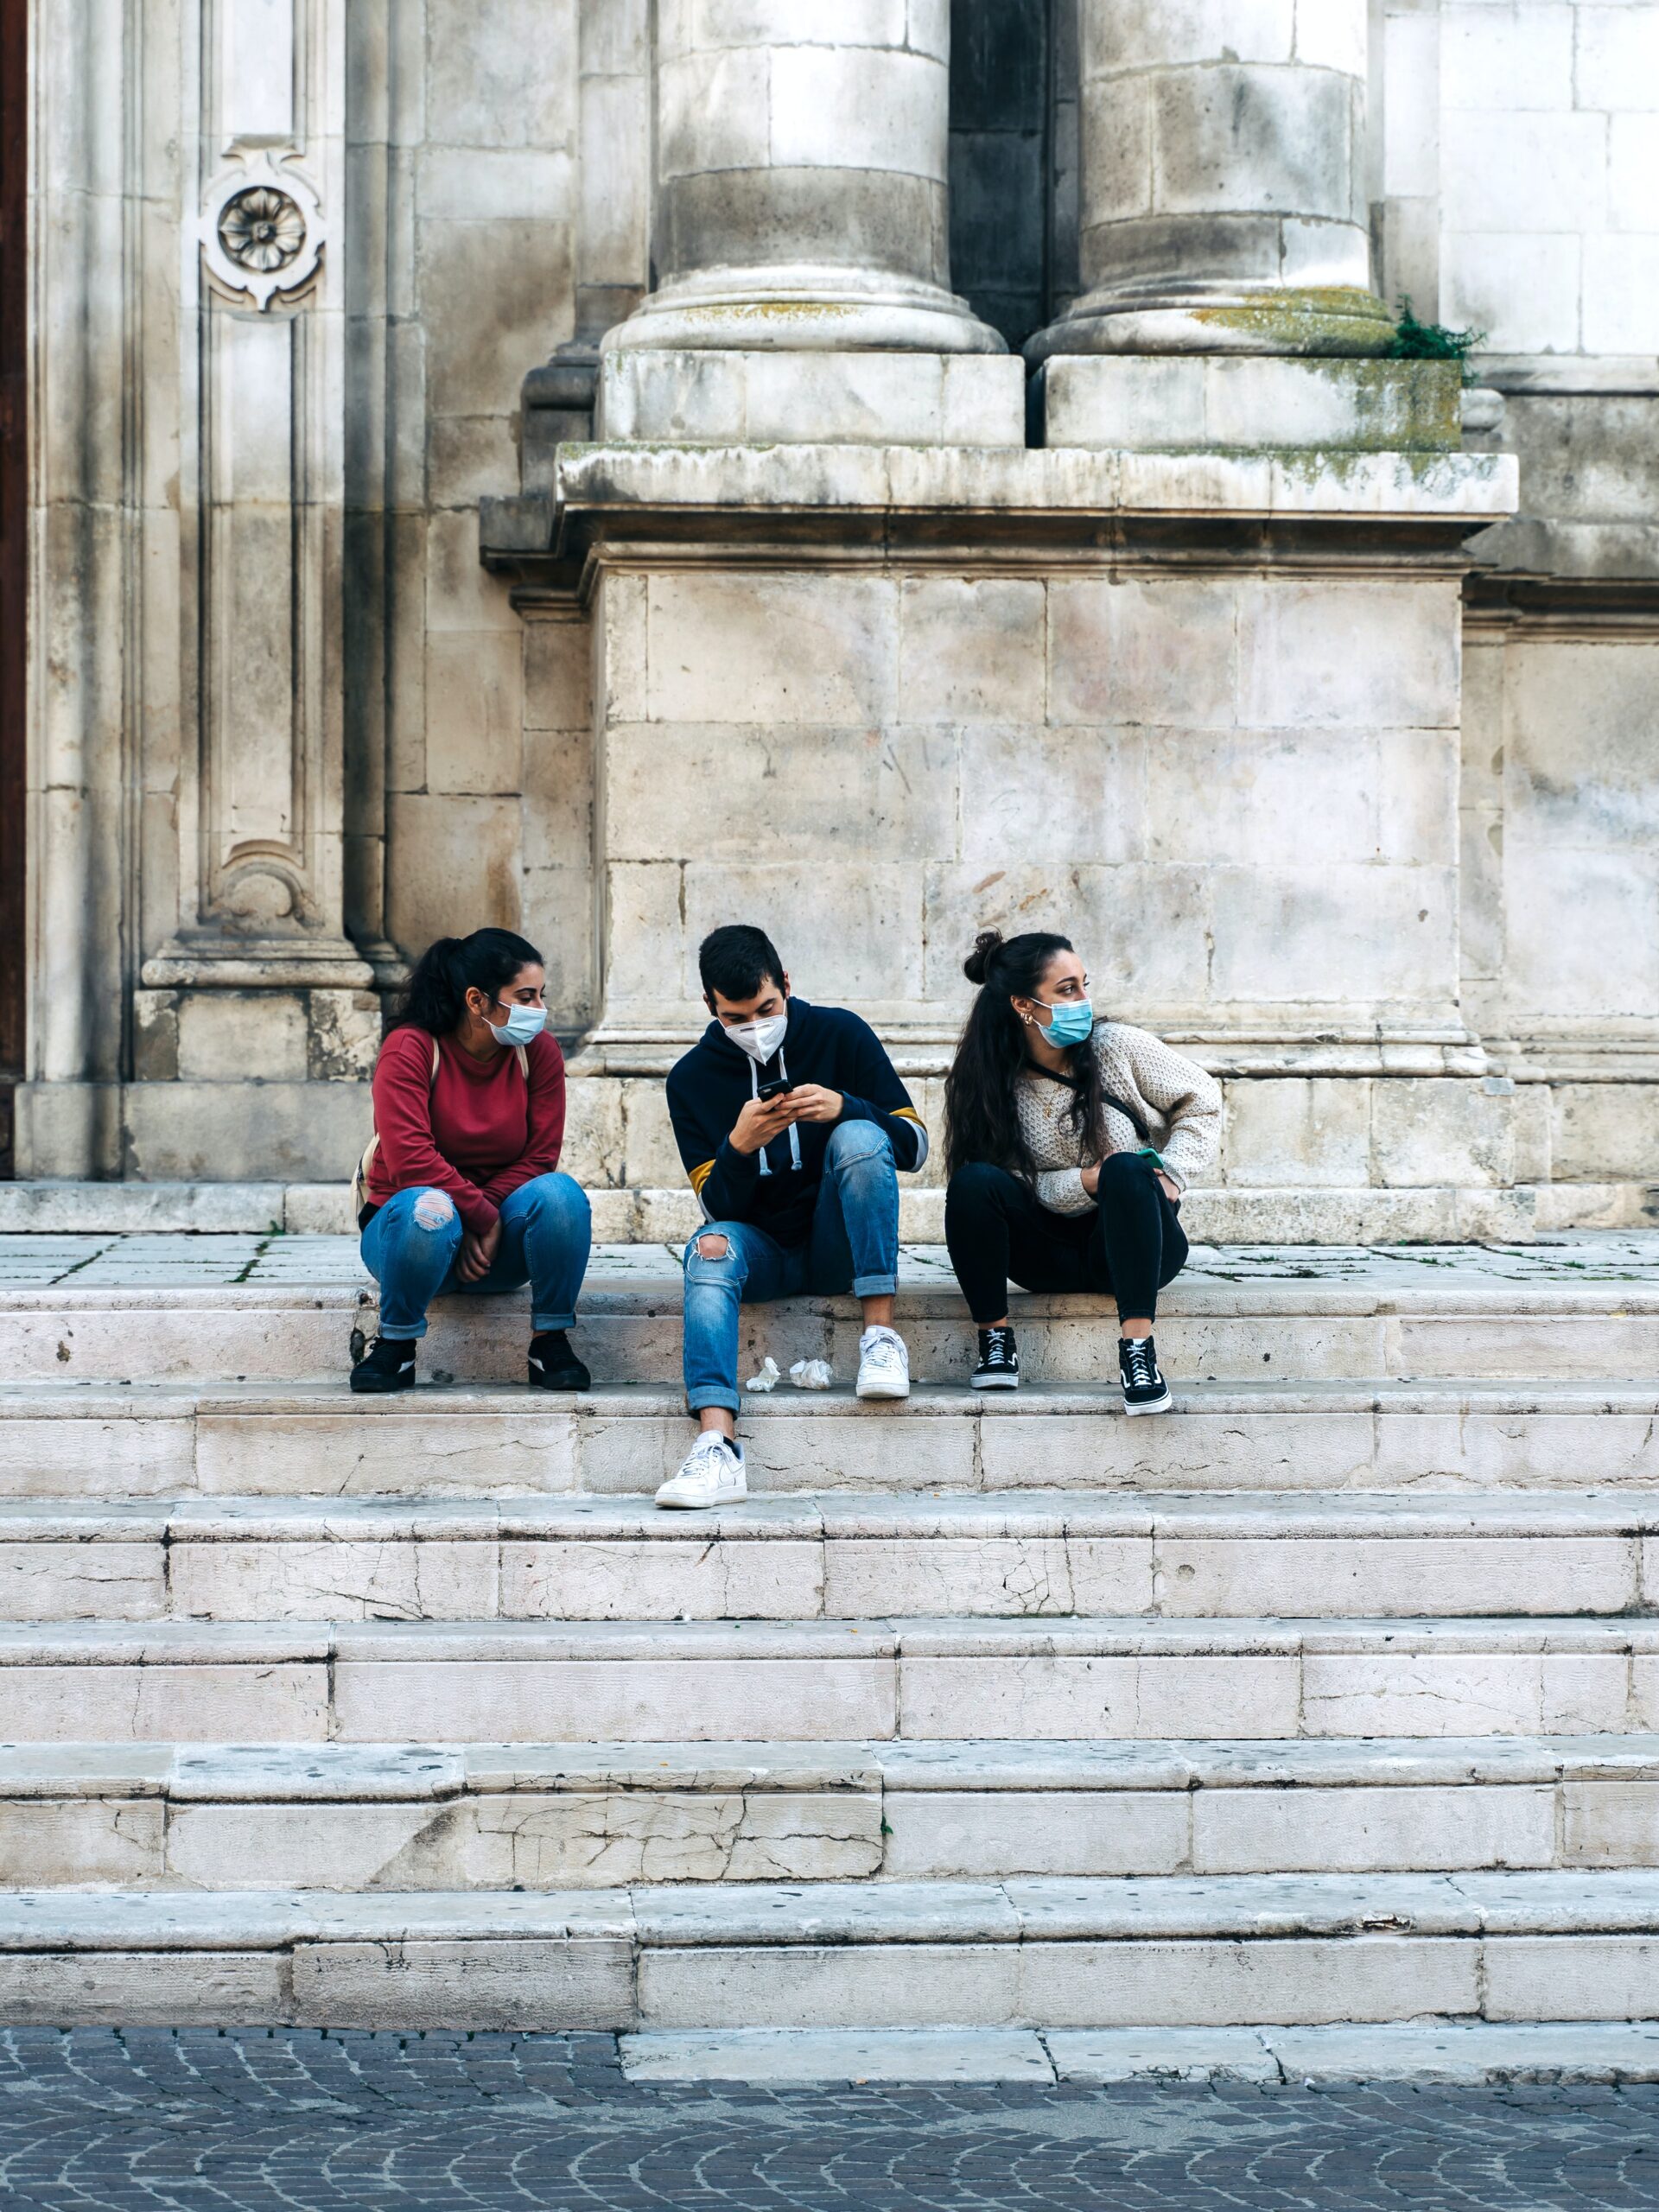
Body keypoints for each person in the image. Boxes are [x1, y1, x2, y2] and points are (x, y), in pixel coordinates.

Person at [656, 925, 928, 1508]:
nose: (754, 1025)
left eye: (766, 1008)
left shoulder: (840, 1034)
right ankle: (718, 1447)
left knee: (858, 1135)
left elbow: (916, 1146)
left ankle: (880, 1337)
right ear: (710, 1007)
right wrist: (738, 1146)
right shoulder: (691, 1079)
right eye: (735, 1017)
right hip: (763, 1253)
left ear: (786, 984)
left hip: (840, 1246)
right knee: (707, 1247)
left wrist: (845, 1106)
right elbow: (717, 1210)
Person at [942, 930, 1221, 1413]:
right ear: (1023, 1006)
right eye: (1067, 990)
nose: (1083, 1001)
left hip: (1136, 1247)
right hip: (1043, 1253)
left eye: (1083, 985)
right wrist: (1082, 1182)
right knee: (972, 1183)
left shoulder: (1116, 1047)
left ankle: (1138, 1353)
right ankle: (996, 1343)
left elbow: (1203, 1101)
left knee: (1126, 1170)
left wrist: (1172, 1176)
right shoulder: (987, 1083)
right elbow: (1010, 1181)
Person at [348, 927, 593, 1395]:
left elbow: (541, 1156)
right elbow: (410, 1159)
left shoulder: (537, 1052)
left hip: (493, 1251)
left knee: (562, 1196)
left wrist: (489, 1222)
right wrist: (480, 1216)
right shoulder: (411, 1048)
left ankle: (551, 1342)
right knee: (429, 1207)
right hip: (412, 1244)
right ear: (477, 1001)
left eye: (542, 995)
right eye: (525, 996)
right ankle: (396, 1346)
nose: (539, 1009)